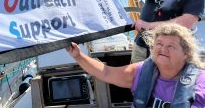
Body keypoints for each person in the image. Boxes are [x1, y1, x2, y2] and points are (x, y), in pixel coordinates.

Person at [67, 23, 205, 107]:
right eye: (159, 44)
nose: (163, 49)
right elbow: (106, 73)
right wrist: (78, 56)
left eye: (171, 46)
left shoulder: (201, 81)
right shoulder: (140, 71)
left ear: (186, 53)